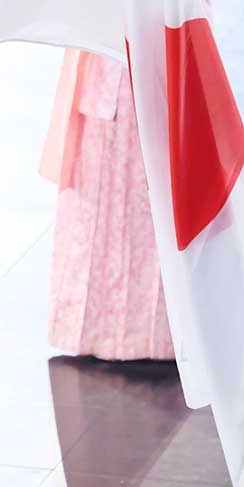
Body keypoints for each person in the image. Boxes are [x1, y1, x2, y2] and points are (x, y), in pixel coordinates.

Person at [41, 50, 174, 361]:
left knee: (147, 207)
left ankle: (150, 333)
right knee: (98, 205)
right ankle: (97, 329)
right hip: (105, 74)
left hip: (150, 72)